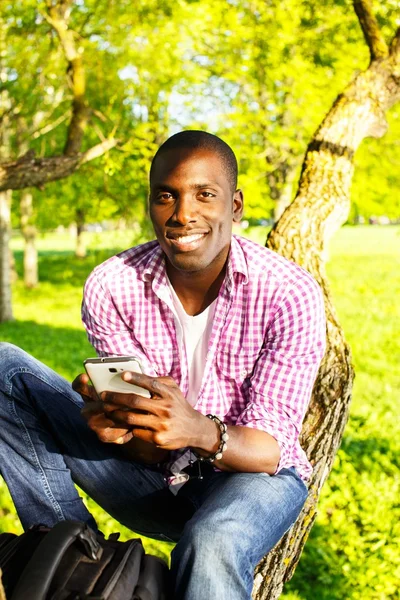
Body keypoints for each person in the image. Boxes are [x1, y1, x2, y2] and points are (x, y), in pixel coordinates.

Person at [0, 131, 326, 599]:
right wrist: (119, 424)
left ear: (235, 207)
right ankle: (72, 560)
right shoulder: (112, 284)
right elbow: (147, 448)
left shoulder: (288, 293)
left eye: (204, 195)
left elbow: (272, 450)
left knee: (212, 541)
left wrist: (196, 430)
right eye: (166, 195)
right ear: (151, 204)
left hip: (254, 481)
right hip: (154, 477)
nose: (183, 214)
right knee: (6, 369)